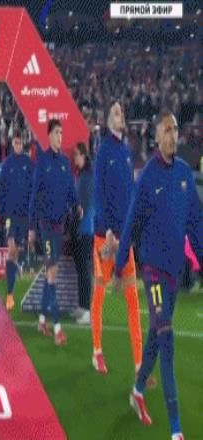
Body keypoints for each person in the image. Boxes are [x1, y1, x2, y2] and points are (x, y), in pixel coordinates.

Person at [116, 111, 201, 440]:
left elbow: (195, 225)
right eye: (167, 129)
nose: (173, 134)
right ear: (156, 136)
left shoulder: (184, 174)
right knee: (166, 337)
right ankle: (176, 429)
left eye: (176, 129)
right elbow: (131, 222)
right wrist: (120, 263)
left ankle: (137, 391)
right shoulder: (148, 176)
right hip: (151, 271)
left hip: (173, 272)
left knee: (155, 335)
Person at [91, 101, 143, 376]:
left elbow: (131, 194)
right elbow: (98, 193)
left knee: (133, 299)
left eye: (121, 111)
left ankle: (139, 365)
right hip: (105, 237)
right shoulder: (103, 151)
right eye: (115, 112)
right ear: (108, 120)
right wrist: (109, 229)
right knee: (100, 294)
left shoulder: (125, 151)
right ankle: (97, 352)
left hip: (124, 238)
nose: (120, 115)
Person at [28, 120, 81, 346]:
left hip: (60, 226)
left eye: (62, 132)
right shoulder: (42, 161)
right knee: (52, 273)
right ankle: (57, 327)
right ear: (49, 136)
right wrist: (32, 228)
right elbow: (34, 195)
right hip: (45, 226)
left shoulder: (64, 163)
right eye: (57, 132)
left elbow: (70, 191)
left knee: (51, 274)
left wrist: (77, 204)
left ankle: (42, 320)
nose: (60, 136)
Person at [0, 129, 34, 311]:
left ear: (23, 143)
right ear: (12, 144)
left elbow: (33, 189)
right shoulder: (7, 164)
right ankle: (9, 295)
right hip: (10, 215)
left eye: (20, 143)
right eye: (16, 143)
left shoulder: (28, 163)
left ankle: (11, 281)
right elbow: (1, 190)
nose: (18, 145)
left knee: (15, 252)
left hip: (23, 215)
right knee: (11, 249)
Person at [70, 142, 94, 325]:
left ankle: (87, 309)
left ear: (84, 155)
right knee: (80, 269)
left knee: (84, 270)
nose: (74, 158)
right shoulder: (81, 175)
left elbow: (83, 206)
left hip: (85, 229)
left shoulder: (87, 176)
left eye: (76, 155)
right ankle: (81, 305)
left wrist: (75, 221)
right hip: (81, 228)